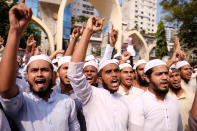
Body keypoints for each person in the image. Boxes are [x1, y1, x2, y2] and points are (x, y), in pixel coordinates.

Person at [0, 1, 79, 130]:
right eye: (34, 70)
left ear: (54, 75)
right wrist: (14, 31)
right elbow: (5, 90)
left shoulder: (67, 102)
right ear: (26, 76)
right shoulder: (22, 103)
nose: (39, 74)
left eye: (44, 70)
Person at [67, 16, 131, 131]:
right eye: (108, 72)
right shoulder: (91, 95)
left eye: (116, 71)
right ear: (100, 79)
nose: (114, 74)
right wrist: (88, 31)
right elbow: (74, 73)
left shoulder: (125, 100)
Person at [130, 59, 182, 131]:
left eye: (166, 73)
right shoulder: (138, 103)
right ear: (147, 78)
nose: (164, 78)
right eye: (159, 74)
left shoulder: (174, 101)